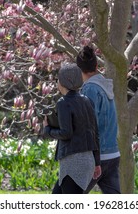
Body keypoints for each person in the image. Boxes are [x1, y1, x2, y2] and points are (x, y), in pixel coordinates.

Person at [43, 63, 101, 194]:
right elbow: (95, 133)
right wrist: (97, 162)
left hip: (72, 161)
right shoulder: (87, 100)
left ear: (63, 82)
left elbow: (66, 133)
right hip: (88, 159)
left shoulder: (63, 103)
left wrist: (47, 130)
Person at [76, 45, 121, 194]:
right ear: (96, 65)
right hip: (113, 154)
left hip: (97, 158)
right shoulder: (106, 86)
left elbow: (88, 126)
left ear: (79, 69)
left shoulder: (90, 89)